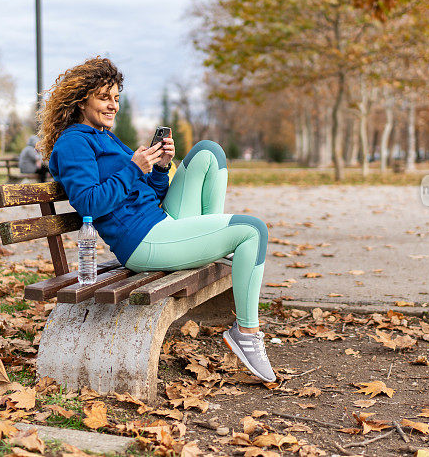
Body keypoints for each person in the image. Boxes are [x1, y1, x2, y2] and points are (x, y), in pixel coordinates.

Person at [38, 56, 275, 383]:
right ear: (81, 101)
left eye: (116, 98)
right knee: (253, 231)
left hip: (159, 222)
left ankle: (207, 244)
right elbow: (88, 203)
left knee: (208, 152)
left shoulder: (104, 136)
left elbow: (147, 191)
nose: (113, 106)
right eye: (104, 97)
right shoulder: (74, 143)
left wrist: (160, 166)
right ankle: (247, 334)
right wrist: (133, 167)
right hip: (142, 242)